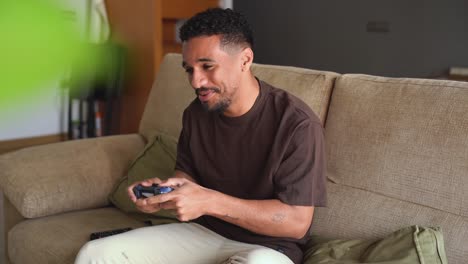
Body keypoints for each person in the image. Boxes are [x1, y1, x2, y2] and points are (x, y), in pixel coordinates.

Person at [75, 8, 326, 264]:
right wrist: (168, 194)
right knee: (96, 254)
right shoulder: (197, 113)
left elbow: (296, 223)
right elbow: (187, 176)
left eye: (207, 66)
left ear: (245, 60)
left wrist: (210, 202)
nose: (196, 82)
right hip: (203, 232)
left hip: (268, 248)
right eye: (189, 69)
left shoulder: (296, 123)